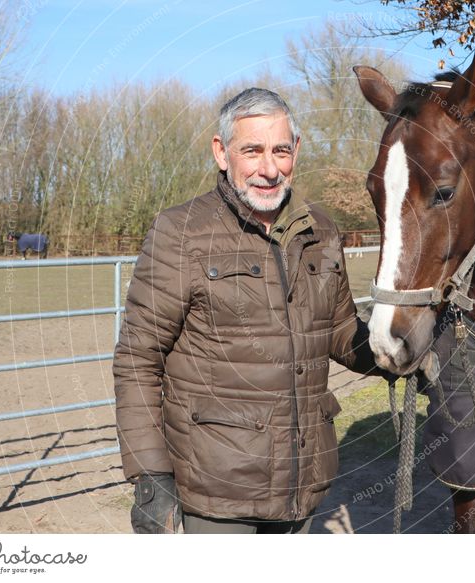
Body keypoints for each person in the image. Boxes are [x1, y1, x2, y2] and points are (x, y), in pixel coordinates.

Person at [113, 87, 382, 534]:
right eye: (252, 150)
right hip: (217, 492)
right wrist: (150, 476)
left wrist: (402, 351)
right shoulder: (181, 233)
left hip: (303, 483)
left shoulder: (320, 231)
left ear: (296, 149)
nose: (269, 169)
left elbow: (338, 332)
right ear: (222, 153)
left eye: (280, 150)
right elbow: (138, 359)